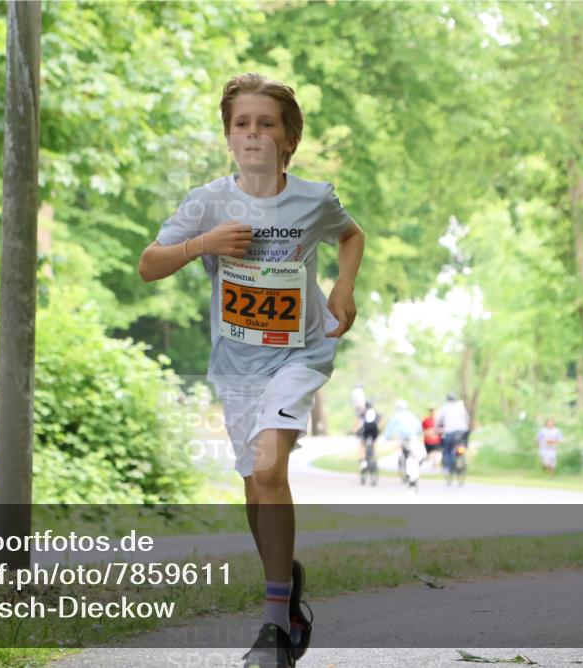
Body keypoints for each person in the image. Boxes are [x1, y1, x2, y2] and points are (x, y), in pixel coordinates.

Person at [137, 72, 365, 668]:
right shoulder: (208, 203)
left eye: (267, 124)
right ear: (228, 136)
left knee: (269, 465)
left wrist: (343, 287)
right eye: (243, 124)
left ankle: (273, 625)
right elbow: (148, 266)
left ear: (288, 139)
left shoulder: (313, 199)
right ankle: (282, 580)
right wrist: (202, 244)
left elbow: (351, 234)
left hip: (300, 354)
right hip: (237, 365)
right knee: (253, 481)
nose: (254, 133)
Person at [383, 400, 423, 491]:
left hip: (405, 438)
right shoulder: (412, 415)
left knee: (408, 455)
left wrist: (387, 438)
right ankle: (413, 476)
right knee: (414, 456)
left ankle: (410, 475)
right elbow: (419, 428)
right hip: (413, 438)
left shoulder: (396, 416)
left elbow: (389, 430)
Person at [436, 392, 470, 485]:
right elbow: (467, 419)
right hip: (463, 432)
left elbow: (438, 421)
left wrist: (437, 429)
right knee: (463, 446)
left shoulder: (445, 407)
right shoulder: (461, 407)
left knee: (447, 450)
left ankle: (448, 468)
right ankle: (462, 460)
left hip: (450, 432)